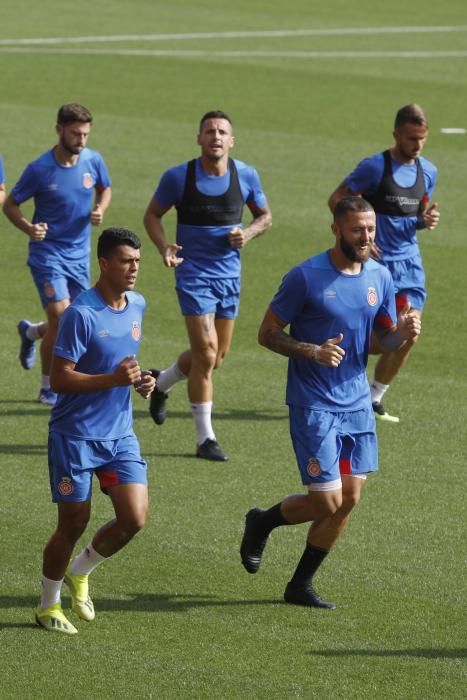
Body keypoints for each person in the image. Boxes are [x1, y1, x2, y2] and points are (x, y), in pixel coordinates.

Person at [240, 197, 421, 609]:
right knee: (326, 500)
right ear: (336, 229)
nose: (366, 237)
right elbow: (267, 333)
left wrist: (405, 334)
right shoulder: (306, 276)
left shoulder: (379, 274)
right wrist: (311, 350)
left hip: (356, 403)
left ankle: (299, 585)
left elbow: (380, 340)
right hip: (314, 402)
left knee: (350, 498)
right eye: (358, 229)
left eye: (371, 229)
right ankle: (261, 522)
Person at [35, 227, 155, 635]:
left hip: (119, 434)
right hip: (75, 435)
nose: (133, 268)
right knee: (73, 523)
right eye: (125, 261)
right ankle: (47, 606)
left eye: (137, 261)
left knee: (134, 518)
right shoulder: (80, 314)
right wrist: (114, 380)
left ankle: (81, 570)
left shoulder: (137, 304)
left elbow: (123, 364)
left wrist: (140, 380)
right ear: (103, 263)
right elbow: (60, 379)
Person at [143, 110, 272, 461]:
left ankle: (162, 382)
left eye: (222, 131)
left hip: (229, 276)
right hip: (193, 274)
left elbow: (265, 217)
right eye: (209, 131)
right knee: (205, 353)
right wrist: (164, 246)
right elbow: (152, 214)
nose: (215, 136)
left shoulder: (245, 175)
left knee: (216, 357)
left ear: (232, 140)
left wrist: (246, 233)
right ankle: (205, 439)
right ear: (199, 138)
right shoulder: (178, 177)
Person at [328, 103, 439, 422]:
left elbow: (418, 210)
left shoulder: (428, 171)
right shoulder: (374, 167)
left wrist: (425, 219)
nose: (416, 145)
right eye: (410, 138)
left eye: (422, 138)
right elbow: (337, 199)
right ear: (396, 135)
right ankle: (340, 381)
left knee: (410, 333)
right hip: (374, 269)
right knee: (375, 339)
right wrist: (358, 238)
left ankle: (373, 397)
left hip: (410, 268)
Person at [3, 103, 112, 406]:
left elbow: (105, 188)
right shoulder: (40, 169)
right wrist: (28, 228)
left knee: (75, 318)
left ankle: (31, 332)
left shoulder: (93, 161)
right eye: (76, 133)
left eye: (86, 134)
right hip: (47, 253)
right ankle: (48, 386)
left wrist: (100, 208)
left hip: (79, 255)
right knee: (61, 315)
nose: (81, 140)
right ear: (59, 130)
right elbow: (11, 204)